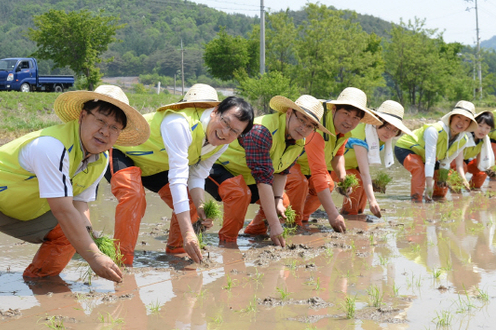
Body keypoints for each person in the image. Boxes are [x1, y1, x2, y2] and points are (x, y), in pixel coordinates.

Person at [0, 85, 150, 295]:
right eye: (100, 120)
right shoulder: (52, 146)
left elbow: (79, 206)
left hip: (17, 208)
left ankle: (41, 282)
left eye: (114, 127)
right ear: (82, 116)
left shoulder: (99, 160)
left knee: (72, 231)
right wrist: (93, 256)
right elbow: (63, 210)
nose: (105, 132)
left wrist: (90, 237)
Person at [104, 84, 253, 265]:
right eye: (226, 123)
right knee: (133, 196)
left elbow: (198, 174)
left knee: (189, 203)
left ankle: (178, 253)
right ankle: (121, 261)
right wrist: (188, 231)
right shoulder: (179, 123)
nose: (226, 132)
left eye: (235, 131)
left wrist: (199, 205)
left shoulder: (222, 142)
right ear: (215, 111)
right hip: (123, 153)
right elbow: (178, 177)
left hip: (156, 166)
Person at [206, 95, 333, 247]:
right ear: (289, 113)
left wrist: (278, 200)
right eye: (301, 120)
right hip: (218, 167)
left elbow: (281, 171)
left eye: (310, 126)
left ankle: (255, 232)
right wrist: (274, 224)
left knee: (283, 201)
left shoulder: (300, 141)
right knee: (239, 193)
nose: (303, 128)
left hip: (248, 176)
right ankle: (228, 242)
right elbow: (263, 181)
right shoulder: (261, 131)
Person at [284, 87, 382, 231]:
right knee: (301, 182)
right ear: (334, 110)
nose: (349, 121)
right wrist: (332, 213)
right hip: (290, 163)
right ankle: (291, 223)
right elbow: (318, 174)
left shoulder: (342, 131)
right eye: (346, 114)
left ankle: (299, 218)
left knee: (329, 184)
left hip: (308, 167)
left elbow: (338, 155)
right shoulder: (318, 128)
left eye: (355, 117)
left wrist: (342, 176)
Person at [337, 100, 412, 217]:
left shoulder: (379, 136)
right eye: (387, 127)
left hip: (350, 167)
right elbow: (364, 173)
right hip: (334, 167)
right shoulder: (361, 134)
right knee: (357, 178)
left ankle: (358, 214)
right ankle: (349, 214)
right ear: (377, 121)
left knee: (362, 182)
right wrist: (373, 201)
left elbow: (362, 168)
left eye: (394, 130)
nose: (389, 134)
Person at [395, 100, 478, 201]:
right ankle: (417, 201)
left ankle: (437, 198)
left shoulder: (463, 139)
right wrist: (429, 185)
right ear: (451, 118)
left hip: (425, 156)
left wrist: (442, 177)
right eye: (458, 117)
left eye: (466, 120)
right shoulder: (434, 131)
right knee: (418, 168)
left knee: (443, 175)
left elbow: (446, 161)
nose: (461, 122)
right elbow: (430, 160)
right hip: (407, 148)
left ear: (469, 124)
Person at [451, 110, 495, 190]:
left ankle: (473, 189)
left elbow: (480, 163)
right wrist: (464, 179)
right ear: (473, 125)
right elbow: (459, 164)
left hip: (466, 162)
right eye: (480, 126)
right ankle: (455, 188)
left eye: (487, 128)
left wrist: (490, 172)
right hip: (453, 163)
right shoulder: (463, 137)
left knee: (482, 171)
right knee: (455, 187)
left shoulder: (484, 141)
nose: (483, 130)